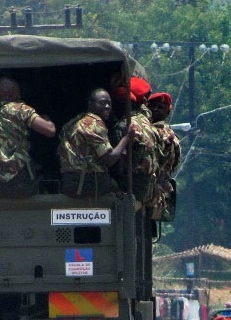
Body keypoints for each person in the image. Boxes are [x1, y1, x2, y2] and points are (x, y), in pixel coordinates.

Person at [0, 76, 56, 198]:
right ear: (12, 93)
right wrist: (48, 120)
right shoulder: (21, 109)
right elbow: (49, 131)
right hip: (20, 178)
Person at [58, 88, 136, 198]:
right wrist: (126, 137)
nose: (107, 107)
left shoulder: (75, 122)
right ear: (90, 104)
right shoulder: (95, 123)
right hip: (89, 184)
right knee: (121, 191)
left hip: (69, 183)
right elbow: (110, 159)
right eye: (102, 103)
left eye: (109, 103)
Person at [111, 76, 160, 208]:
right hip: (148, 187)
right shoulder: (146, 121)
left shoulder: (124, 126)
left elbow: (117, 163)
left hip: (133, 187)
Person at [147, 92, 181, 219]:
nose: (156, 110)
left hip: (155, 189)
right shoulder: (149, 129)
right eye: (153, 106)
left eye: (160, 108)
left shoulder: (163, 134)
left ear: (167, 112)